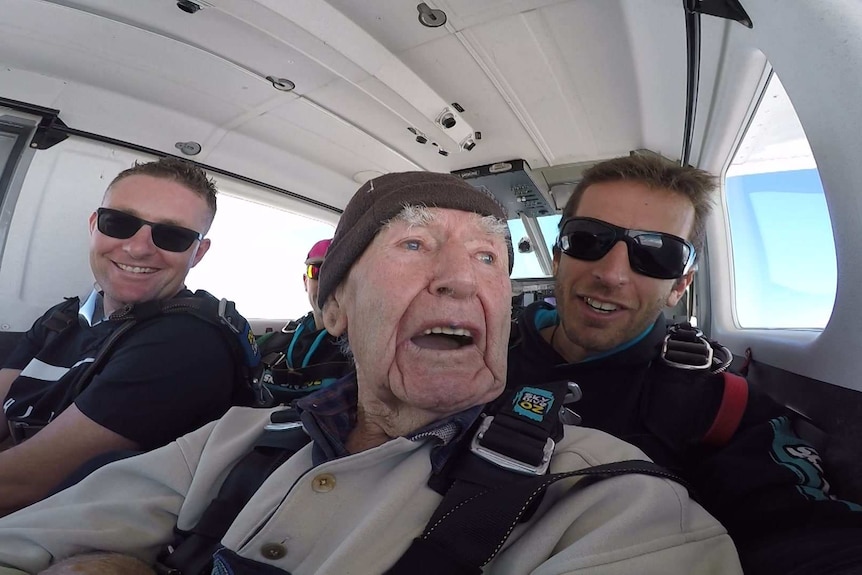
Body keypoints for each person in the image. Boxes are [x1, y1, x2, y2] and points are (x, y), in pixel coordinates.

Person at [0, 171, 741, 575]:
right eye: (415, 246)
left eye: (489, 258)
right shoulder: (231, 444)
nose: (461, 279)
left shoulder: (612, 499)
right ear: (335, 310)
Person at [507, 154, 862, 575]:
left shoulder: (719, 404)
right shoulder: (472, 356)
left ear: (679, 286)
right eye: (588, 239)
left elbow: (804, 532)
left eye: (657, 255)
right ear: (557, 257)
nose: (612, 274)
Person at [0, 157, 244, 517]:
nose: (139, 248)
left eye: (172, 235)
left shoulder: (185, 345)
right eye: (120, 223)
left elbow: (26, 483)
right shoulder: (61, 318)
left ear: (198, 253)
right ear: (94, 225)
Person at [256, 239, 351, 404]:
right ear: (305, 282)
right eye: (317, 272)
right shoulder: (279, 340)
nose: (327, 282)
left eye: (341, 272)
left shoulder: (366, 351)